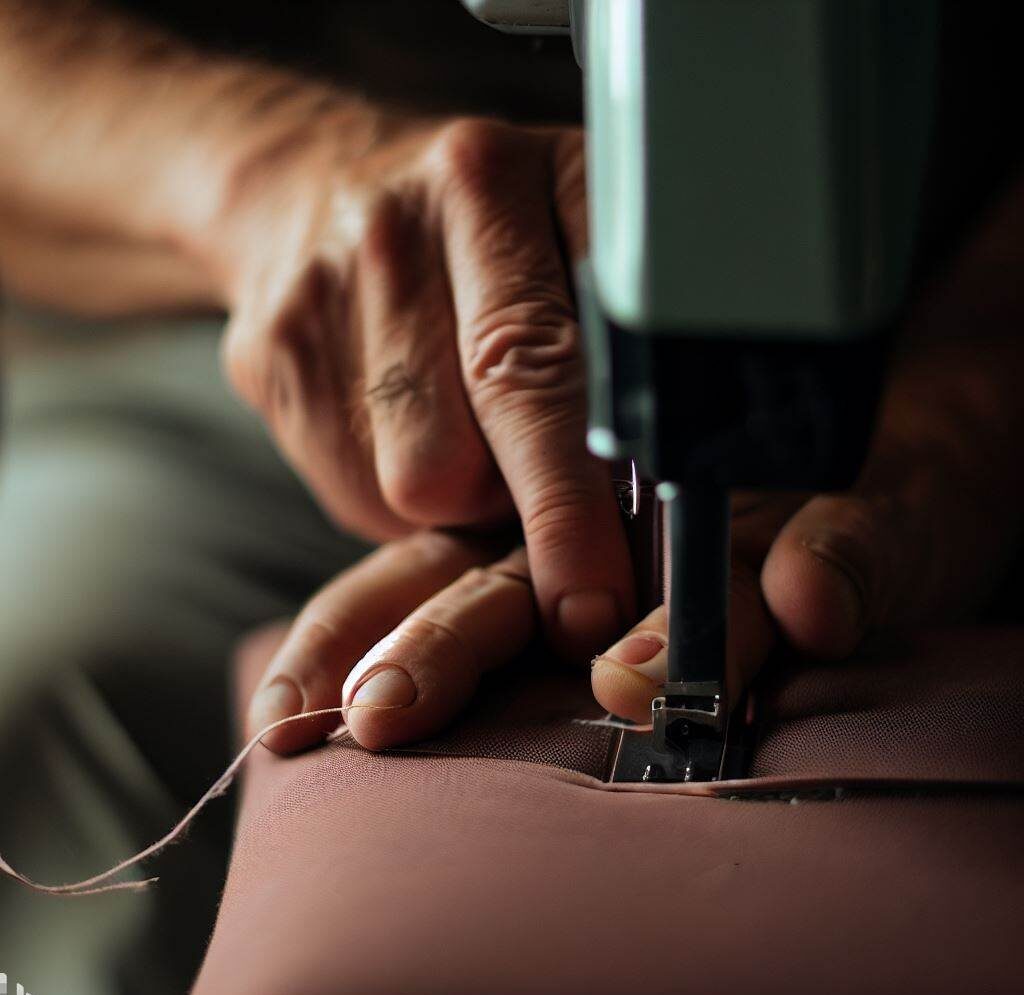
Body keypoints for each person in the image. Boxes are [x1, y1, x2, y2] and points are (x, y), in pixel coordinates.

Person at [1, 0, 1024, 989]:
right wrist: (264, 175)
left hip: (941, 332)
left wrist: (980, 382)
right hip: (251, 320)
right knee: (51, 671)